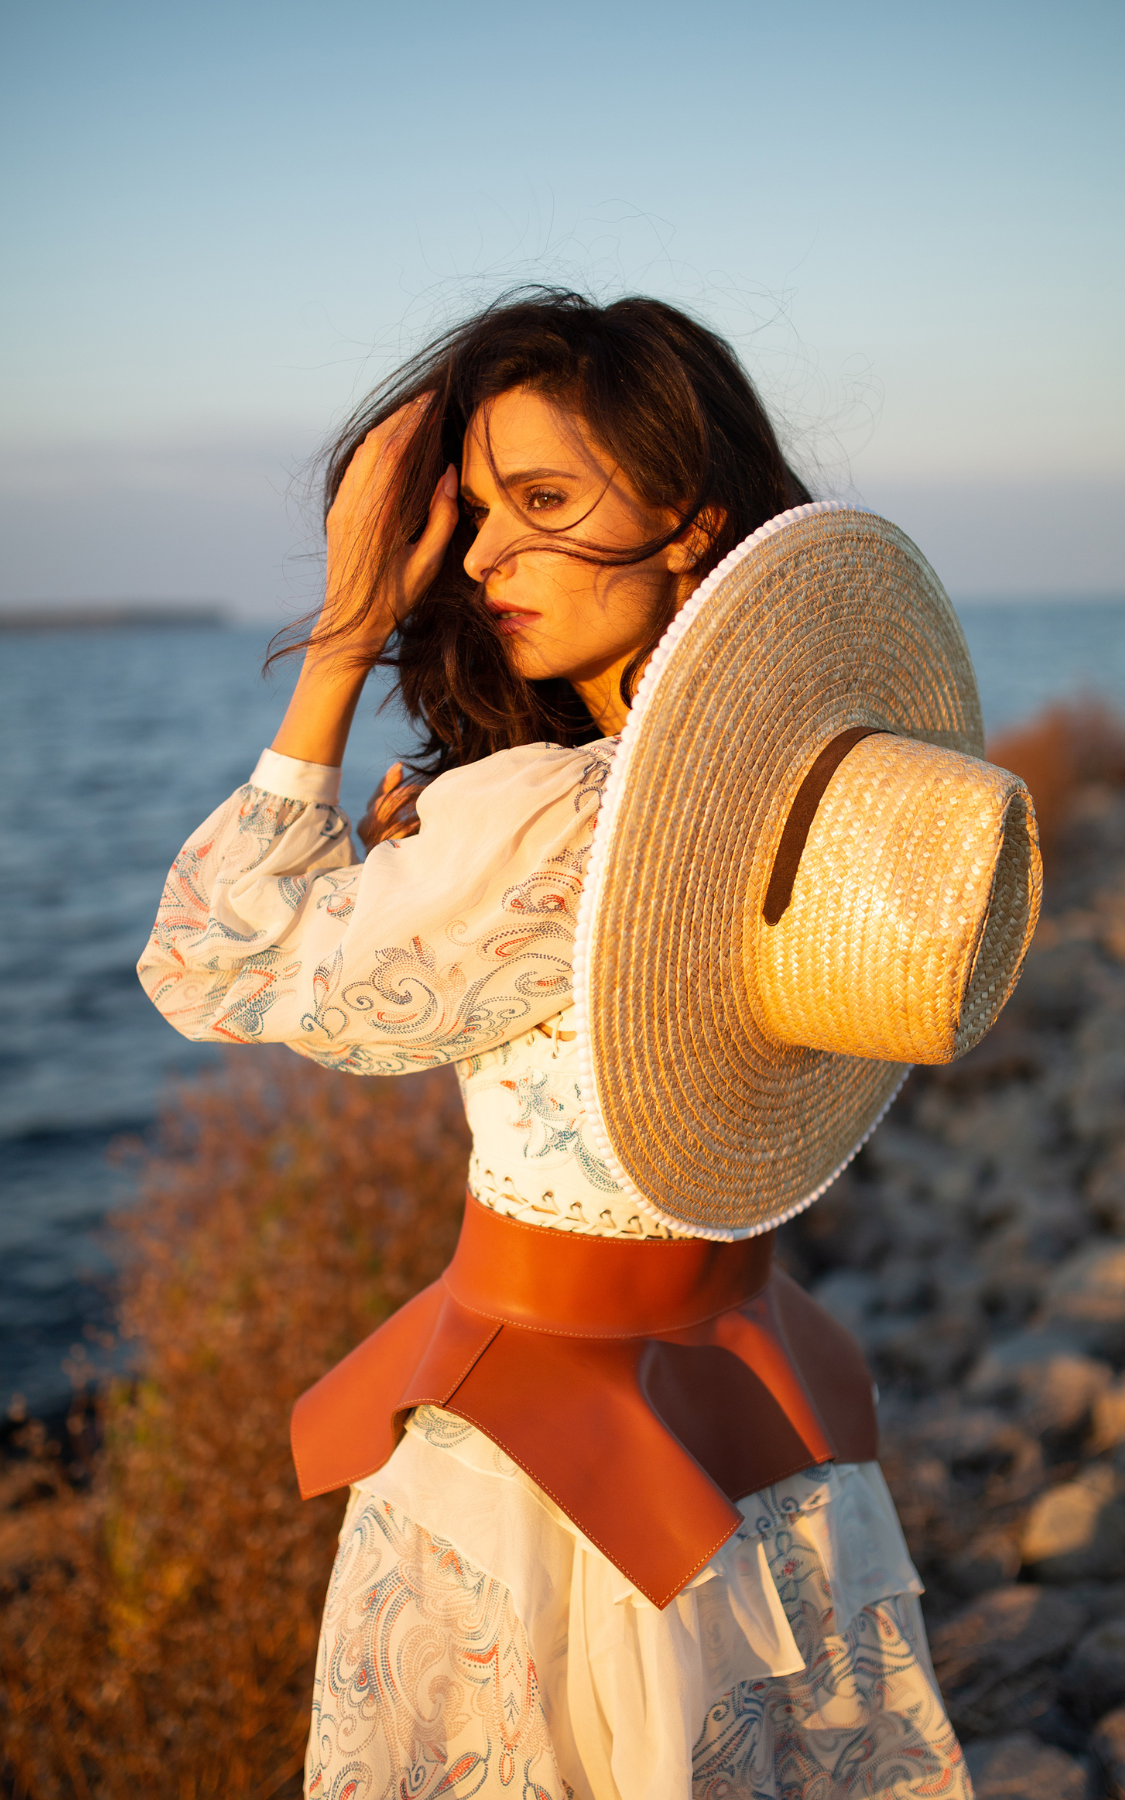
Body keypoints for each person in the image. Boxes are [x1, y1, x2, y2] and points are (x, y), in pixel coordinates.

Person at [138, 291, 973, 1799]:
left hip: (548, 1476)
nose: (476, 556)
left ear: (687, 522)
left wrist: (337, 646)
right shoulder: (811, 799)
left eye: (539, 502)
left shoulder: (551, 821)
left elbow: (211, 961)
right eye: (472, 513)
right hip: (759, 1403)